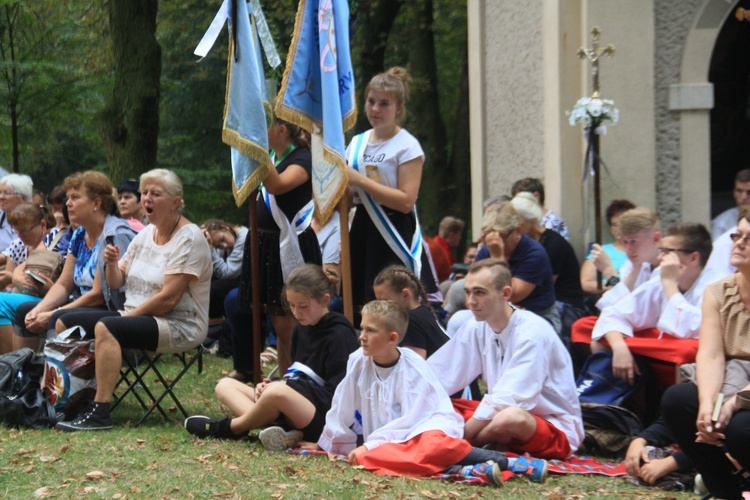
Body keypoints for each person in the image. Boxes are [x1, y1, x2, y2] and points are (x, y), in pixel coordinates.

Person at [301, 300, 548, 485]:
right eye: (362, 329)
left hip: (422, 432)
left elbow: (414, 419)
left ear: (392, 338)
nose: (362, 337)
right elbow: (341, 406)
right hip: (390, 443)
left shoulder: (412, 367)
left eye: (370, 331)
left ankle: (507, 462)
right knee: (363, 458)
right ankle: (461, 470)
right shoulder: (358, 361)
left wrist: (373, 443)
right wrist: (326, 444)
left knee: (432, 446)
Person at [55, 169, 212, 432]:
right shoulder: (145, 234)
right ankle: (72, 400)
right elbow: (117, 281)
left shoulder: (189, 237)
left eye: (155, 193)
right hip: (136, 315)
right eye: (145, 193)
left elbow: (168, 299)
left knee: (108, 326)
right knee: (65, 321)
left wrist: (127, 317)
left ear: (176, 202)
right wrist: (112, 265)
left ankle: (100, 412)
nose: (146, 198)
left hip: (178, 324)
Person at [184, 264, 358, 447]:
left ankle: (230, 428)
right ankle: (280, 431)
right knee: (225, 385)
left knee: (276, 392)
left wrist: (285, 387)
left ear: (324, 300)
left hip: (322, 415)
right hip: (293, 407)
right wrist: (272, 384)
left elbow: (339, 395)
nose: (297, 312)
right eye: (291, 305)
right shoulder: (300, 328)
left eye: (303, 306)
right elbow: (299, 375)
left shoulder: (339, 334)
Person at [428, 259, 584, 460]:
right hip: (497, 414)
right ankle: (474, 445)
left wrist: (462, 434)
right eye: (468, 292)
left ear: (506, 293)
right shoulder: (477, 326)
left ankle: (459, 448)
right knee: (444, 405)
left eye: (480, 292)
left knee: (510, 418)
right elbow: (441, 375)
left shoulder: (532, 333)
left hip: (553, 425)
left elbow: (508, 400)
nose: (471, 301)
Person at [661, 210, 750, 499]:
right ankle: (727, 492)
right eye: (738, 235)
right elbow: (710, 356)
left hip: (744, 392)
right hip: (732, 380)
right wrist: (707, 405)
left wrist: (735, 402)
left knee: (739, 428)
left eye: (749, 238)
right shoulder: (718, 292)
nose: (739, 243)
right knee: (679, 400)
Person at [229, 113, 322, 381]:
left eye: (264, 126)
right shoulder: (275, 157)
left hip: (290, 245)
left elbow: (277, 185)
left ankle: (301, 382)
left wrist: (257, 150)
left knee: (291, 323)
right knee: (279, 323)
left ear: (281, 130)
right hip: (266, 245)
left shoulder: (302, 159)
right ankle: (285, 380)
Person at [346, 66, 439, 309]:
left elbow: (406, 200)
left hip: (393, 228)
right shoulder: (357, 142)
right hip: (363, 225)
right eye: (371, 101)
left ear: (398, 108)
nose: (375, 109)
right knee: (361, 300)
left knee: (390, 301)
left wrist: (359, 180)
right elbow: (351, 192)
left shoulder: (407, 146)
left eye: (384, 103)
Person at [12, 171, 136, 351]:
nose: (68, 203)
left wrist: (54, 312)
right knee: (25, 312)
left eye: (75, 197)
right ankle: (24, 374)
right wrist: (40, 309)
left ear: (96, 203)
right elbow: (63, 284)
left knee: (59, 319)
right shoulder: (79, 233)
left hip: (111, 310)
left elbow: (98, 295)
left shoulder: (114, 234)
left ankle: (56, 377)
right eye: (68, 197)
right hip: (81, 303)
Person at [586, 223, 719, 385]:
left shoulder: (715, 284)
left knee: (685, 350)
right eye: (661, 250)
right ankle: (620, 403)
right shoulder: (659, 277)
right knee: (592, 332)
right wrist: (619, 347)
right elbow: (616, 311)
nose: (660, 257)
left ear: (693, 258)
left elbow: (692, 328)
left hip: (695, 357)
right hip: (659, 344)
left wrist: (669, 283)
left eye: (668, 252)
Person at [473, 202, 560, 332]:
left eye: (500, 236)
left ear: (518, 231)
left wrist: (497, 259)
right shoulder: (487, 250)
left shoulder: (535, 253)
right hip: (497, 312)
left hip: (538, 316)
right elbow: (472, 289)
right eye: (488, 236)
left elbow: (511, 295)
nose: (493, 241)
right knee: (458, 320)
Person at [511, 192, 585, 334]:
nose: (514, 228)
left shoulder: (554, 244)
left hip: (565, 305)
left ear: (529, 220)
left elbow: (542, 288)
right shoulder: (524, 243)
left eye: (517, 223)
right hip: (537, 301)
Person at [0, 204, 64, 353]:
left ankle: (12, 363)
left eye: (25, 230)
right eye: (17, 231)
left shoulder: (54, 239)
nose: (21, 236)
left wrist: (14, 277)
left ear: (42, 224)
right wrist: (14, 278)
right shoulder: (18, 245)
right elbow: (12, 281)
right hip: (21, 295)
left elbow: (15, 275)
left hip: (51, 298)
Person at [373, 265, 448, 358]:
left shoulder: (410, 321)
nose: (382, 307)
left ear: (405, 295)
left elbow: (414, 365)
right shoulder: (422, 312)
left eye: (385, 301)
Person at [580, 199, 636, 294]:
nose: (620, 228)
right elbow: (586, 282)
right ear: (611, 229)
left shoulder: (643, 250)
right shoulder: (601, 252)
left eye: (624, 222)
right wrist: (610, 287)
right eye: (615, 224)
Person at [201, 219, 247, 320]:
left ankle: (217, 327)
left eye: (223, 239)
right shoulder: (226, 240)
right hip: (237, 280)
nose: (225, 246)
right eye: (219, 246)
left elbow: (227, 272)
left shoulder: (244, 238)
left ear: (225, 227)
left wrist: (211, 249)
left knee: (216, 289)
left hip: (248, 282)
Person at [0, 174, 34, 263]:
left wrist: (4, 257)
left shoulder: (36, 221)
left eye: (6, 193)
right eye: (0, 192)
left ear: (23, 198)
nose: (1, 197)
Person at [711, 169, 750, 240]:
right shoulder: (722, 224)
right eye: (739, 191)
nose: (744, 197)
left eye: (749, 192)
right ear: (733, 192)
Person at [426, 216, 465, 283]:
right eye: (459, 234)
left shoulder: (434, 244)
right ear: (451, 235)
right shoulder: (442, 252)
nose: (460, 237)